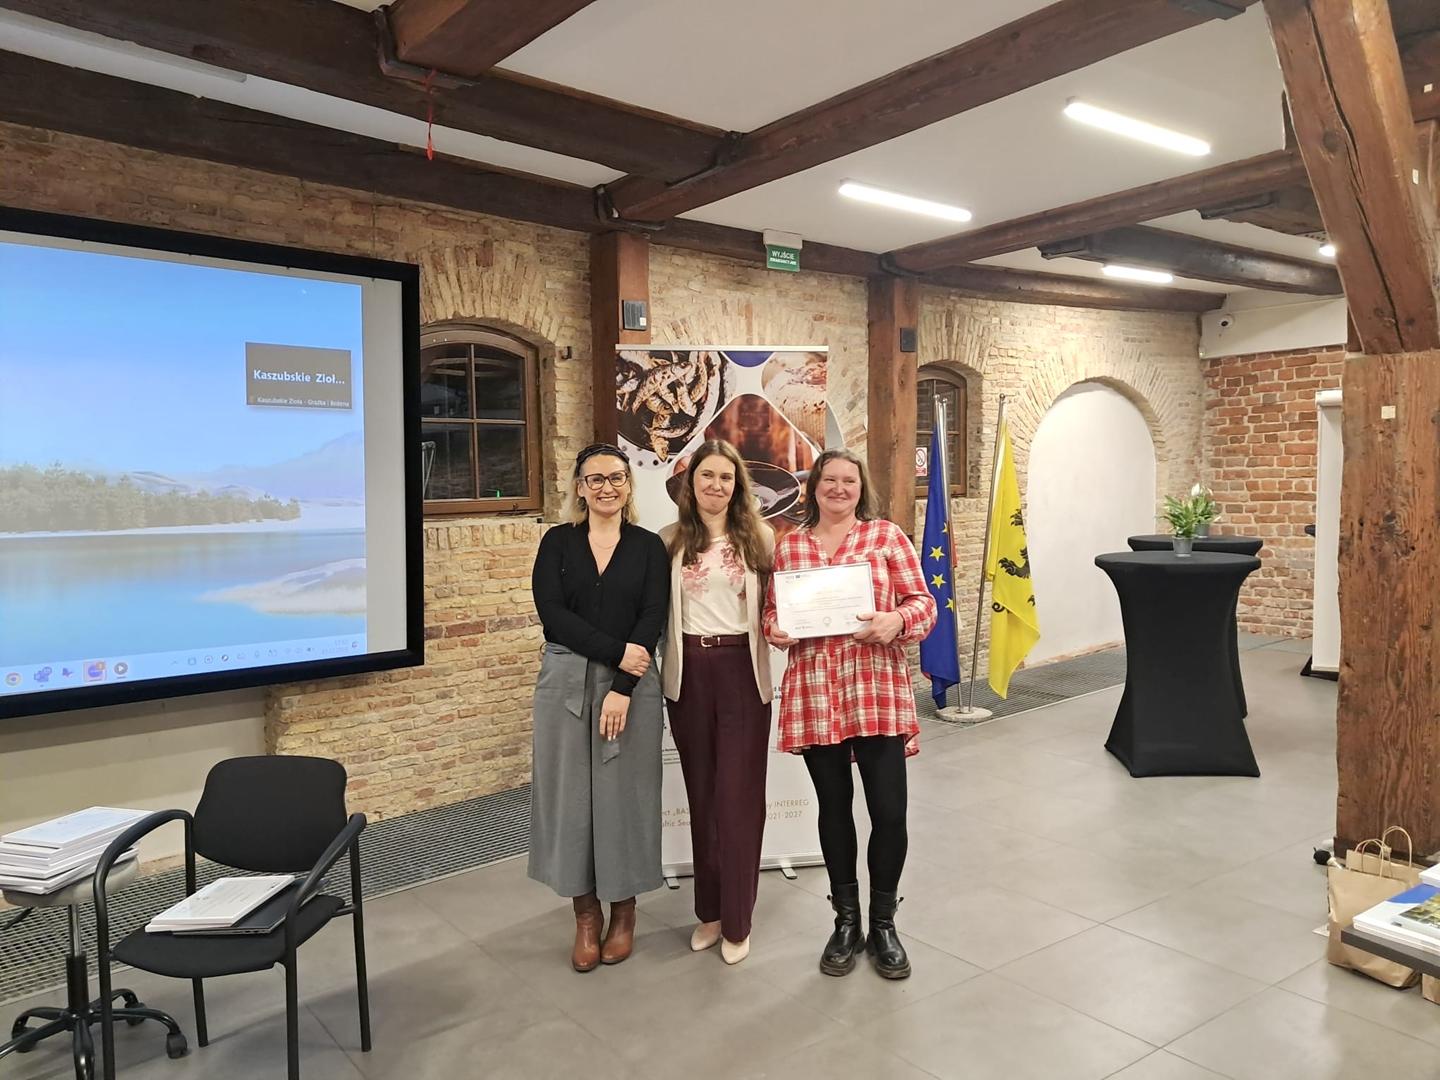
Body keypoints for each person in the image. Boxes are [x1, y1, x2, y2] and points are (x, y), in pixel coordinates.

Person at [762, 449, 936, 980]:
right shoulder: (790, 545)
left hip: (875, 690)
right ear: (813, 486)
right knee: (833, 809)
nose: (839, 488)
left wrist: (896, 621)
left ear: (861, 489)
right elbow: (772, 610)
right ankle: (845, 922)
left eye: (849, 481)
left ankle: (883, 924)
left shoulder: (885, 537)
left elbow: (923, 602)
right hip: (816, 691)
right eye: (829, 480)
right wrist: (775, 628)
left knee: (889, 812)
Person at [529, 442, 670, 972]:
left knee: (626, 797)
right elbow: (552, 614)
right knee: (570, 799)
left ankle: (624, 912)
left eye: (616, 477)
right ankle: (585, 916)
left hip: (631, 684)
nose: (606, 487)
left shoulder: (648, 547)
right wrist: (616, 653)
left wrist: (623, 687)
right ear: (580, 488)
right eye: (595, 479)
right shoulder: (558, 542)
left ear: (628, 485)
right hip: (566, 680)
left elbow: (652, 616)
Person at [659, 440, 774, 966]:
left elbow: (778, 604)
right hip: (689, 676)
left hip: (741, 674)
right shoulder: (669, 540)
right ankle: (709, 912)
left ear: (738, 486)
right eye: (707, 475)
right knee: (703, 798)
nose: (716, 485)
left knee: (738, 799)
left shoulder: (760, 538)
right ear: (691, 482)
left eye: (726, 477)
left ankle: (738, 919)